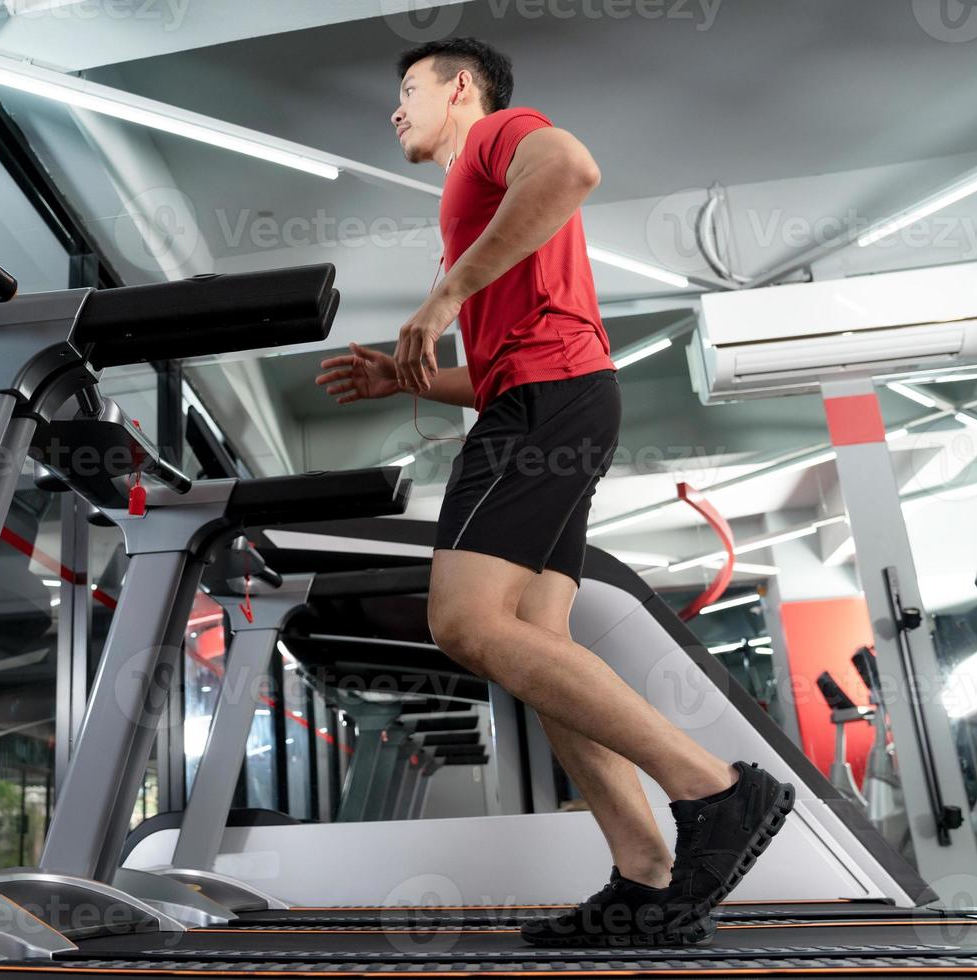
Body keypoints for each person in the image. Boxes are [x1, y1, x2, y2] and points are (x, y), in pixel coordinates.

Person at [314, 37, 794, 947]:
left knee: (462, 623)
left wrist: (445, 296)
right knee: (532, 637)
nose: (394, 109)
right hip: (546, 397)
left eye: (407, 91)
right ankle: (648, 875)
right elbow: (495, 368)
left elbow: (573, 166)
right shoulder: (478, 200)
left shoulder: (496, 136)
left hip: (544, 406)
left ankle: (717, 790)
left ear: (459, 88)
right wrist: (405, 377)